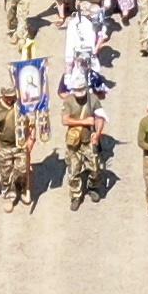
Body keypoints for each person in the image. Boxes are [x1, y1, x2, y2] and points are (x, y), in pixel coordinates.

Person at [0, 84, 31, 210]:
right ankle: (10, 196)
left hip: (20, 144)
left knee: (21, 169)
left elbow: (30, 120)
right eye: (7, 97)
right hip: (3, 146)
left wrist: (31, 137)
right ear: (3, 95)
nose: (10, 99)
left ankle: (22, 188)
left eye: (12, 97)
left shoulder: (21, 104)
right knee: (6, 173)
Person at [62, 82, 104, 211]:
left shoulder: (93, 99)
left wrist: (97, 134)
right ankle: (76, 195)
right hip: (74, 141)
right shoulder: (68, 101)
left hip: (89, 139)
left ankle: (93, 187)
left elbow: (100, 117)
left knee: (96, 167)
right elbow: (65, 120)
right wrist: (84, 122)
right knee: (74, 170)